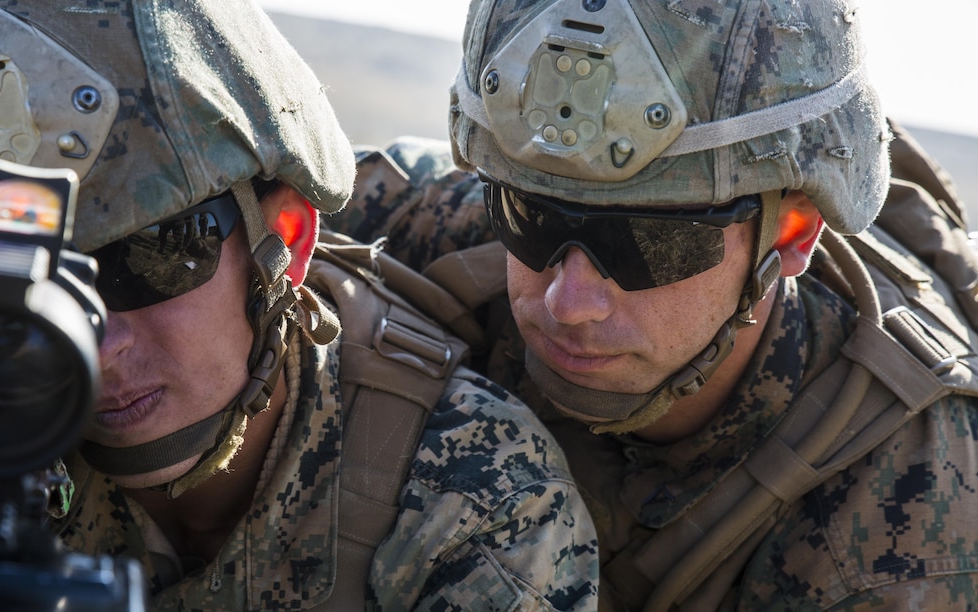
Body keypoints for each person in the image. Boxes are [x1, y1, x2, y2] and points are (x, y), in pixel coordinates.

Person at [0, 1, 598, 610]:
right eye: (23, 298)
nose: (100, 344)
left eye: (154, 259)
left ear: (284, 238)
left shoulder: (473, 501)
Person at [327, 0, 978, 609]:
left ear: (791, 234)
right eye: (530, 214)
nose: (568, 300)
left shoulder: (904, 525)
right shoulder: (440, 229)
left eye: (651, 243)